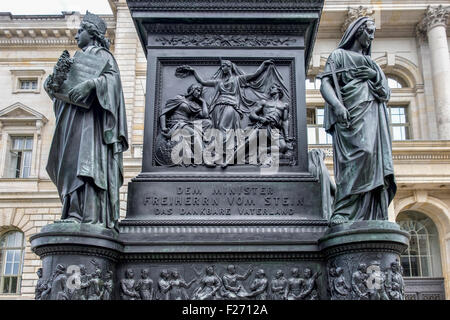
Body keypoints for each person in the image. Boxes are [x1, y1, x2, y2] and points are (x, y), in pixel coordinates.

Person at [44, 12, 128, 230]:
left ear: (92, 34)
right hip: (71, 122)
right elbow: (63, 92)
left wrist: (91, 85)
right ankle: (72, 212)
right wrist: (52, 86)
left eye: (80, 31)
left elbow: (114, 84)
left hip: (91, 125)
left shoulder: (104, 56)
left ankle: (89, 215)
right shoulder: (75, 60)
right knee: (72, 165)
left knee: (87, 164)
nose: (75, 35)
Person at [320, 17, 395, 226]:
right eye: (369, 32)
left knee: (372, 158)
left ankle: (370, 214)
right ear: (357, 31)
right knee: (356, 158)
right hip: (350, 118)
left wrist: (374, 75)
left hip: (372, 115)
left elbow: (385, 94)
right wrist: (337, 105)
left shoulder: (372, 64)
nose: (371, 37)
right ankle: (344, 209)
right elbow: (326, 83)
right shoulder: (339, 55)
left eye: (373, 33)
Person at [157, 84, 212, 166]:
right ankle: (204, 158)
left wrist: (203, 101)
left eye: (200, 91)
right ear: (192, 90)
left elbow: (205, 115)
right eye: (198, 90)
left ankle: (207, 148)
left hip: (187, 123)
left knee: (208, 123)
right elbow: (163, 113)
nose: (199, 93)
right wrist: (164, 127)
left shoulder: (194, 104)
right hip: (176, 123)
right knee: (194, 134)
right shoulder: (178, 98)